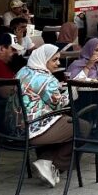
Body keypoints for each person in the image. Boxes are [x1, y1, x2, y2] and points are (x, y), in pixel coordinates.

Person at [16, 44, 73, 185]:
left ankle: (45, 161)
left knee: (65, 122)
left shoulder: (22, 71)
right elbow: (58, 104)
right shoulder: (48, 80)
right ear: (44, 59)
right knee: (81, 126)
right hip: (33, 128)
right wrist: (72, 92)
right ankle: (54, 165)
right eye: (54, 60)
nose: (58, 63)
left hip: (15, 127)